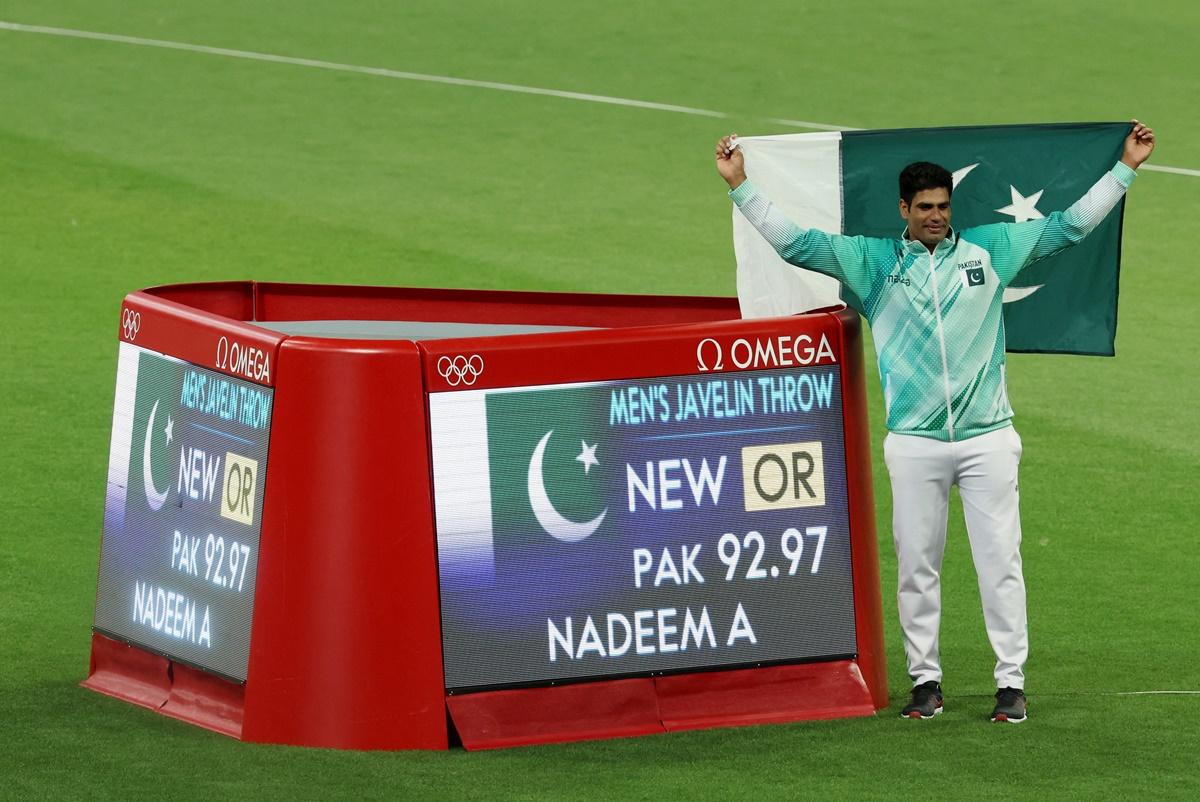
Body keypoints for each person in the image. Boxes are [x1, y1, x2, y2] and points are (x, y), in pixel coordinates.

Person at [715, 122, 1155, 723]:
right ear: (904, 208)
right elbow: (798, 245)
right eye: (925, 207)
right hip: (916, 443)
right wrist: (741, 187)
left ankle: (1011, 683)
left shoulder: (989, 250)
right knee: (917, 566)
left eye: (944, 207)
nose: (936, 217)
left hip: (988, 439)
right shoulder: (872, 263)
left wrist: (1127, 167)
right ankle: (926, 683)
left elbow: (1069, 226)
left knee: (1001, 563)